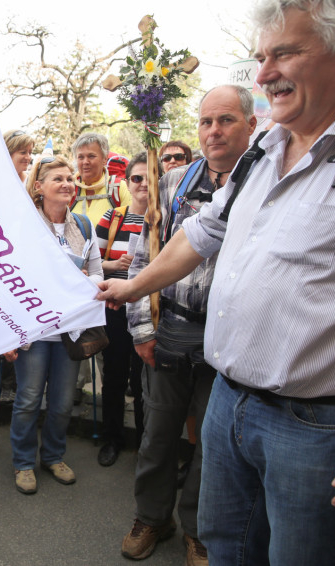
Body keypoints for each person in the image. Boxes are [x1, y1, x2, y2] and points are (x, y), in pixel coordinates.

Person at [98, 2, 335, 562]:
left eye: (285, 53)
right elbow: (199, 234)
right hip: (228, 403)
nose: (264, 74)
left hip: (319, 426)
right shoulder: (263, 153)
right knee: (225, 548)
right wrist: (131, 288)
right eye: (261, 56)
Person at [118, 85, 257, 566]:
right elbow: (144, 256)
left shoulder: (264, 183)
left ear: (251, 125)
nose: (214, 131)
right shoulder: (171, 181)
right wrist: (142, 329)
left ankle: (199, 529)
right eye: (206, 121)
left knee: (213, 445)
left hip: (228, 337)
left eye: (226, 120)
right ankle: (152, 518)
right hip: (170, 329)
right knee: (158, 435)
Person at [7, 156, 104, 495]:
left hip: (71, 330)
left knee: (62, 402)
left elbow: (97, 272)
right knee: (29, 398)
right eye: (58, 179)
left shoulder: (84, 225)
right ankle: (23, 462)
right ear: (39, 186)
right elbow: (9, 276)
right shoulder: (23, 225)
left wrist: (85, 281)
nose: (67, 184)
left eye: (70, 178)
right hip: (35, 330)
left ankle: (53, 456)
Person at [94, 152, 151, 468]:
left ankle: (145, 446)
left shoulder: (166, 218)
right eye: (136, 178)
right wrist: (114, 265)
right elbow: (92, 263)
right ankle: (112, 439)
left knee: (143, 382)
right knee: (114, 378)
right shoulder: (113, 217)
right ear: (127, 183)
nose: (143, 184)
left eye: (148, 177)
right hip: (115, 309)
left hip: (150, 310)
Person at [69, 132, 132, 226]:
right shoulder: (69, 189)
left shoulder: (120, 188)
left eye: (91, 156)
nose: (85, 162)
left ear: (105, 159)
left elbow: (130, 227)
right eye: (80, 157)